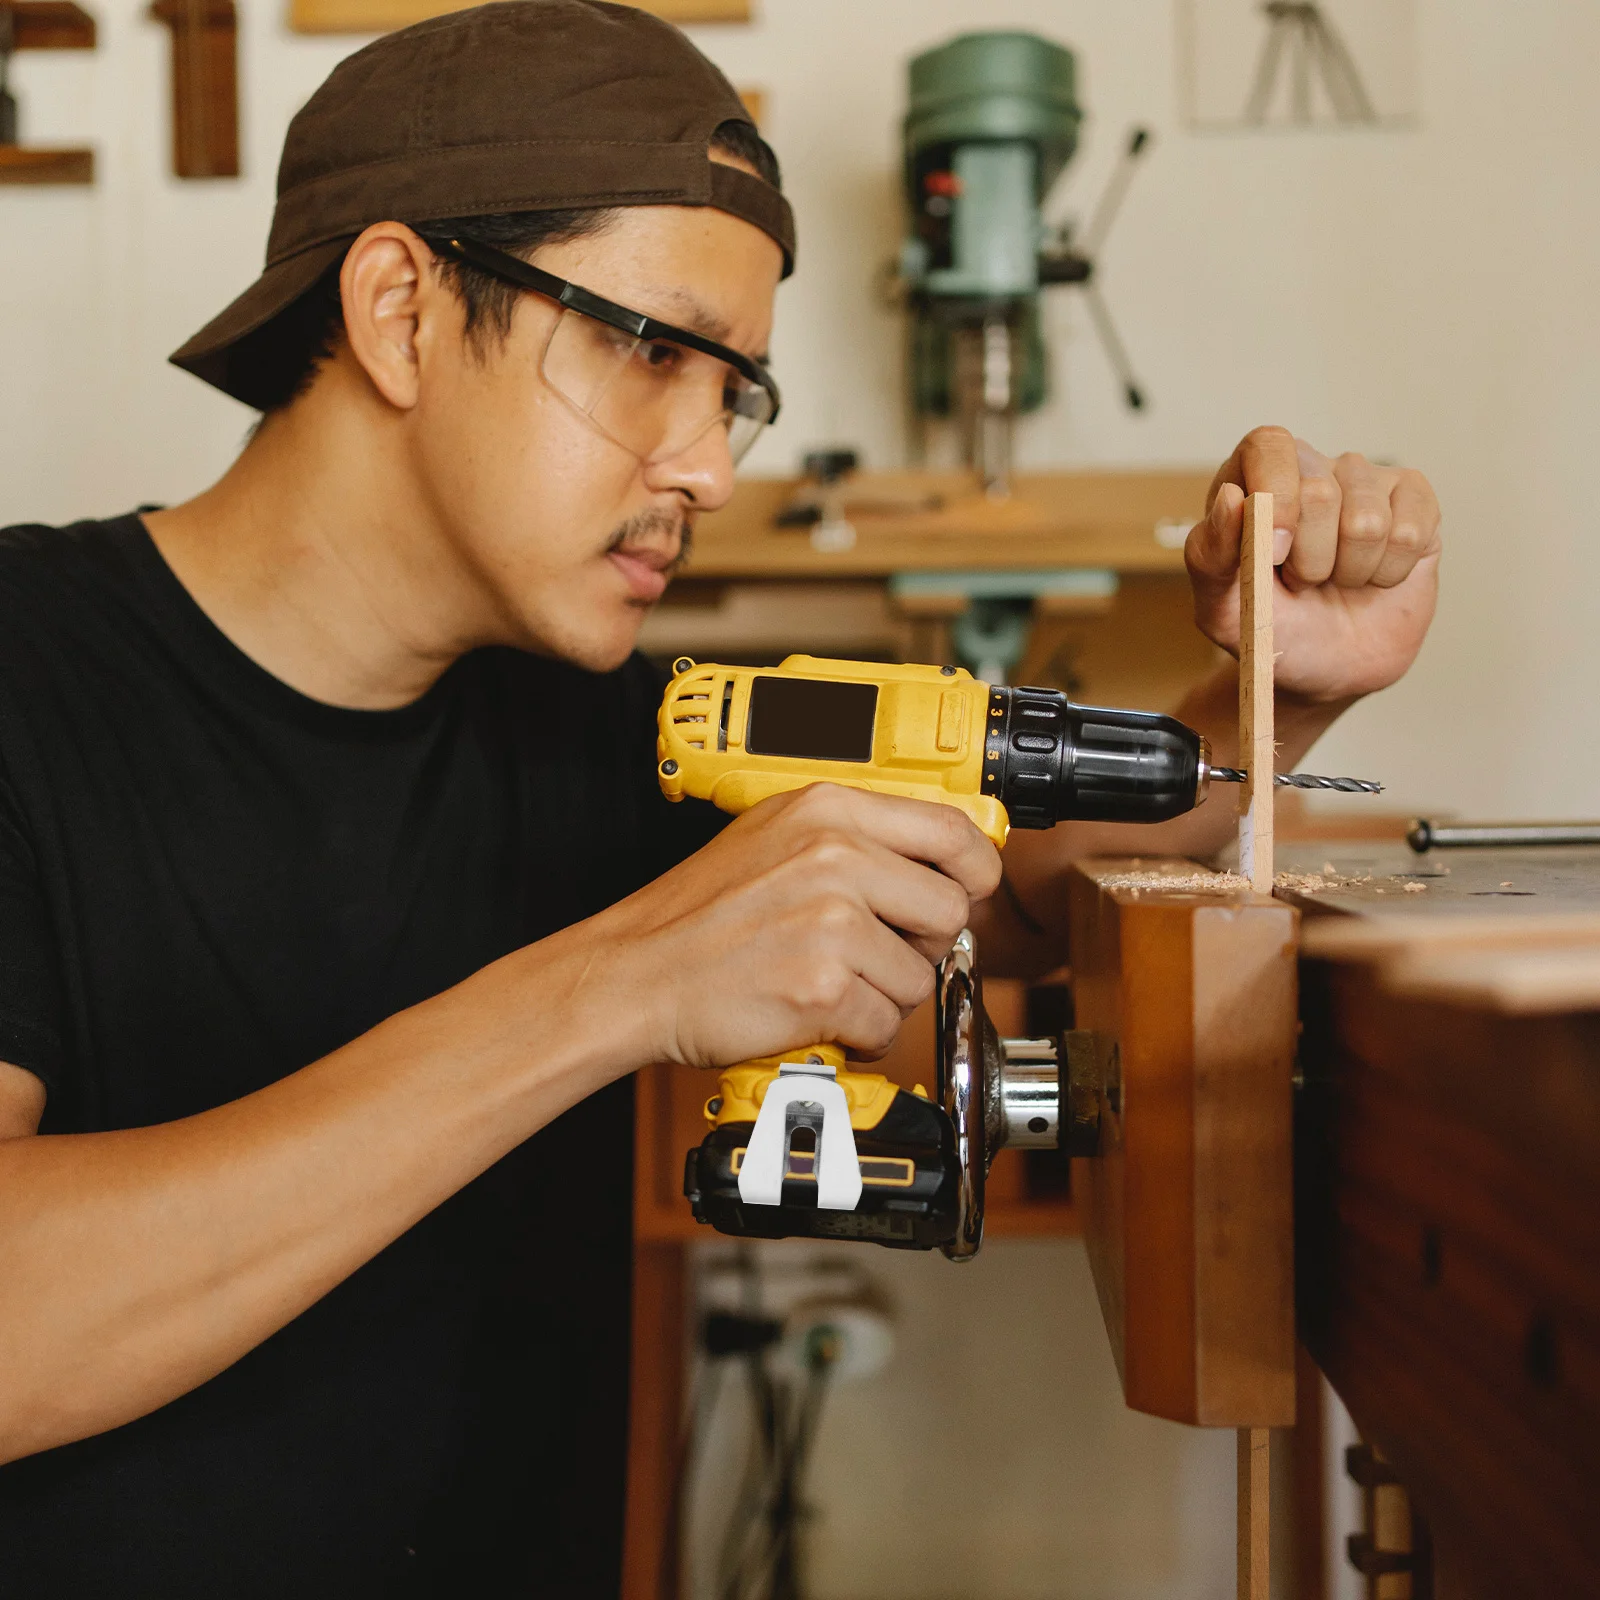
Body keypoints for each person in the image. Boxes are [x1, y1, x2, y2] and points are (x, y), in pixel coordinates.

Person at [0, 1, 1441, 1593]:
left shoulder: (591, 732)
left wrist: (1282, 690)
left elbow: (1011, 899)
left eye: (734, 387)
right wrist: (612, 986)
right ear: (403, 310)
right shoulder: (24, 676)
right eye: (648, 350)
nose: (712, 467)